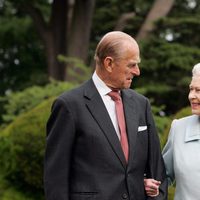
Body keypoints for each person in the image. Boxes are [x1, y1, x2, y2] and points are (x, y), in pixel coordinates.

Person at [44, 31, 167, 200]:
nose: (137, 72)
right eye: (131, 65)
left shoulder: (141, 104)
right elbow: (55, 179)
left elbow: (157, 170)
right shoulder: (69, 106)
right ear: (109, 63)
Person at [145, 63, 200, 200]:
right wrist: (146, 183)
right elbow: (161, 177)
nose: (191, 96)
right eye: (191, 89)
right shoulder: (179, 128)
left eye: (198, 90)